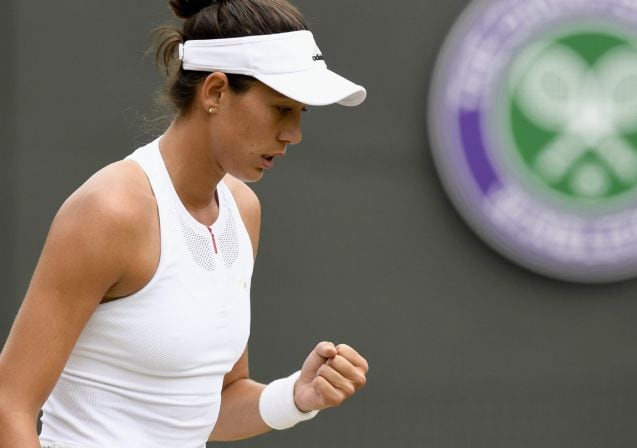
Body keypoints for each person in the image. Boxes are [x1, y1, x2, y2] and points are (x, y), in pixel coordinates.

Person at [0, 0, 369, 446]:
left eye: (300, 114)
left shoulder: (243, 211)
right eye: (280, 109)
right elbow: (9, 404)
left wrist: (297, 396)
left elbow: (214, 402)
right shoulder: (109, 211)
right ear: (214, 91)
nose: (294, 134)